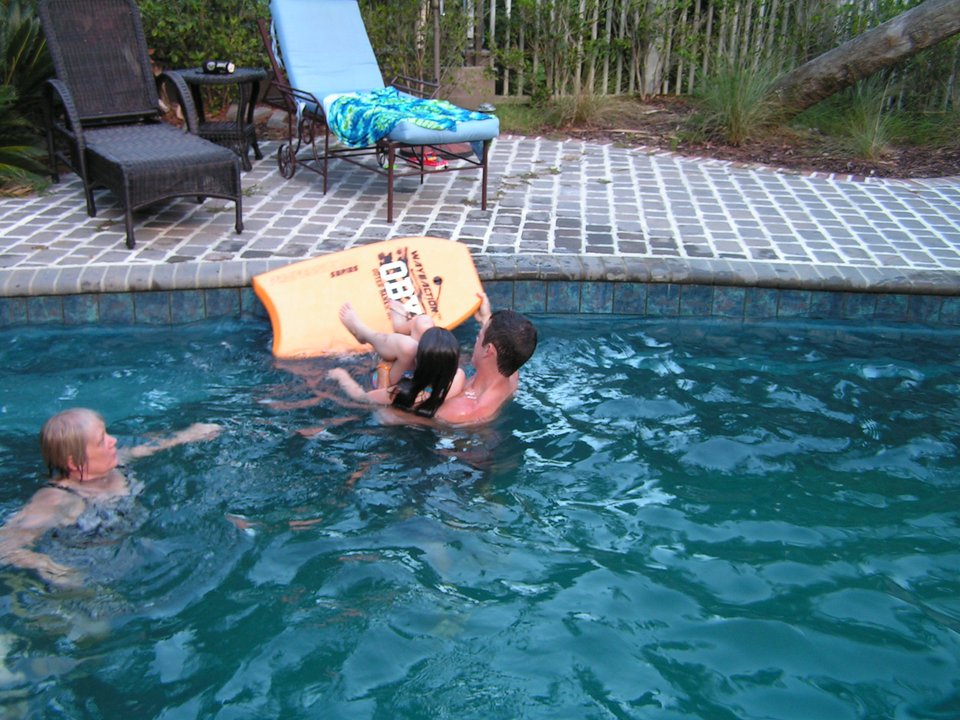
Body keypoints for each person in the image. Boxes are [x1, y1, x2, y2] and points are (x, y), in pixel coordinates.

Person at [0, 408, 220, 586]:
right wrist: (47, 566)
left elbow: (151, 445)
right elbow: (4, 546)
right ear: (74, 462)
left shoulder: (117, 463)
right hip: (85, 572)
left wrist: (188, 434)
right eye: (101, 441)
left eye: (106, 433)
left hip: (130, 554)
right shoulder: (58, 500)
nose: (113, 441)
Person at [327, 302, 466, 418]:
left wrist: (341, 376)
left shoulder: (402, 392)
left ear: (419, 360)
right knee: (424, 322)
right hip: (420, 376)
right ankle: (400, 326)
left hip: (386, 380)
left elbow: (362, 397)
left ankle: (363, 333)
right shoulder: (458, 376)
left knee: (408, 347)